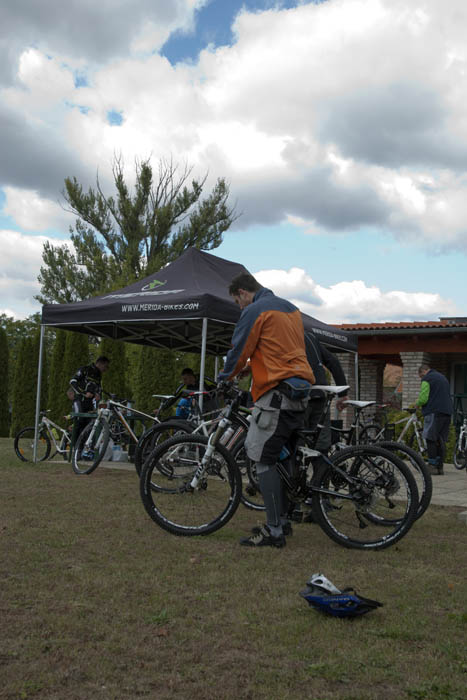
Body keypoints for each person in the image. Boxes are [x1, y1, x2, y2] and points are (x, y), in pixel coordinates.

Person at [218, 273, 315, 548]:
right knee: (282, 458)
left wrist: (225, 377)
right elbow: (279, 351)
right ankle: (283, 520)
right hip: (299, 392)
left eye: (237, 301)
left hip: (275, 396)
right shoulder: (291, 309)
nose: (239, 307)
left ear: (242, 292)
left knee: (262, 458)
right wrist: (252, 368)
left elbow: (239, 349)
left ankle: (273, 530)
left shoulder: (255, 309)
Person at [416, 364, 453, 475]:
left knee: (430, 438)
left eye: (421, 376)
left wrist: (417, 404)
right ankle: (440, 466)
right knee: (440, 440)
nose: (421, 378)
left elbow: (423, 398)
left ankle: (432, 466)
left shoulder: (427, 379)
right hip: (447, 412)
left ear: (423, 372)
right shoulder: (443, 378)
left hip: (434, 411)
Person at [69, 356, 110, 437]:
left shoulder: (98, 375)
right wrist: (84, 393)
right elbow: (72, 381)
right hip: (79, 400)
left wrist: (97, 395)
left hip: (90, 403)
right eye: (106, 366)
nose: (106, 369)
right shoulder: (85, 369)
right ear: (100, 363)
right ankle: (72, 443)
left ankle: (83, 444)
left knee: (89, 425)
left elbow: (98, 388)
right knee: (79, 421)